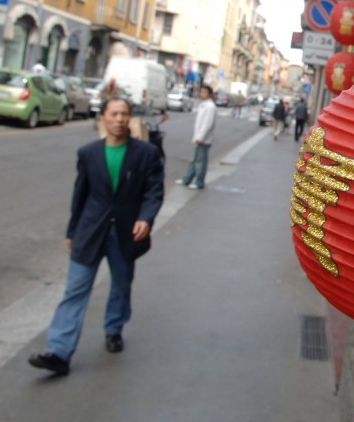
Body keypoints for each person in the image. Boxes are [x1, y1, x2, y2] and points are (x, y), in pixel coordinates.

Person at [28, 97, 164, 376]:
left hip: (126, 233)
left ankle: (114, 328)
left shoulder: (146, 153)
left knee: (121, 285)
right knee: (75, 290)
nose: (119, 119)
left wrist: (145, 218)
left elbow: (154, 191)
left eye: (124, 114)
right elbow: (80, 195)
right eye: (114, 114)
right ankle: (59, 352)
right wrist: (72, 231)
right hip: (90, 231)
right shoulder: (88, 153)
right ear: (103, 117)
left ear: (130, 119)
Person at [176, 85, 216, 190]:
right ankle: (187, 179)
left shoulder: (210, 107)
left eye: (204, 92)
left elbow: (207, 124)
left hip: (204, 139)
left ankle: (199, 182)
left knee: (200, 162)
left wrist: (200, 137)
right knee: (195, 160)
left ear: (210, 94)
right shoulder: (203, 105)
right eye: (201, 92)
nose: (202, 94)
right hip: (199, 137)